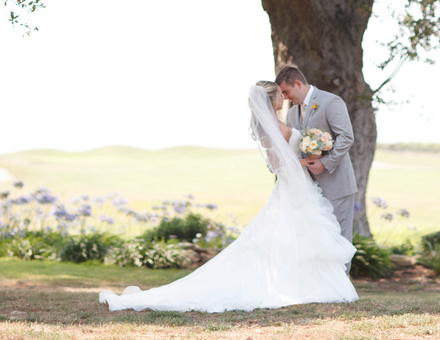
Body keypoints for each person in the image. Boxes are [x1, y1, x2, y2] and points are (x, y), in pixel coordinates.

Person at [98, 82, 357, 313]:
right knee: (292, 233)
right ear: (271, 100)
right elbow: (279, 165)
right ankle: (292, 285)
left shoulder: (275, 125)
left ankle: (306, 283)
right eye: (279, 95)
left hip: (298, 188)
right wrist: (306, 162)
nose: (283, 99)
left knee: (300, 235)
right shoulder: (275, 128)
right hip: (294, 188)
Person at [275, 65, 358, 262]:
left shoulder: (330, 101)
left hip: (336, 183)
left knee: (339, 239)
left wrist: (326, 162)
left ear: (297, 83)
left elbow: (346, 137)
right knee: (319, 241)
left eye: (286, 91)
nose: (285, 97)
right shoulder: (292, 114)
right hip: (310, 189)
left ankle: (342, 291)